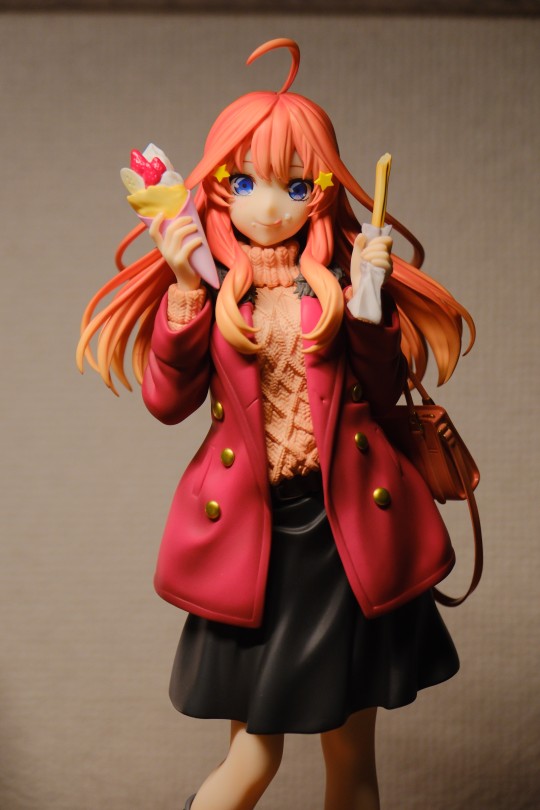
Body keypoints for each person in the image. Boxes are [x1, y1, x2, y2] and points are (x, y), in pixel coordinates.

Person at [78, 38, 475, 810]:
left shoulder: (339, 285)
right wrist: (184, 293)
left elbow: (382, 392)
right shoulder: (211, 290)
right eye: (245, 182)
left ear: (321, 191)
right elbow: (167, 401)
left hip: (349, 531)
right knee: (252, 757)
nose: (269, 207)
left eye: (296, 184)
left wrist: (369, 309)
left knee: (351, 760)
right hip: (256, 541)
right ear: (217, 188)